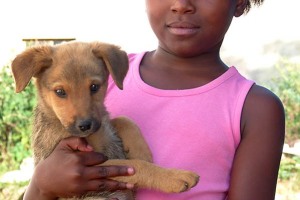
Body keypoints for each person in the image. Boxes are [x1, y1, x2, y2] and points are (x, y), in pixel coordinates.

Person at [23, 0, 285, 199]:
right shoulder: (99, 74)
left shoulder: (256, 108)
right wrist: (40, 186)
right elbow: (57, 172)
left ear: (239, 2)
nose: (181, 5)